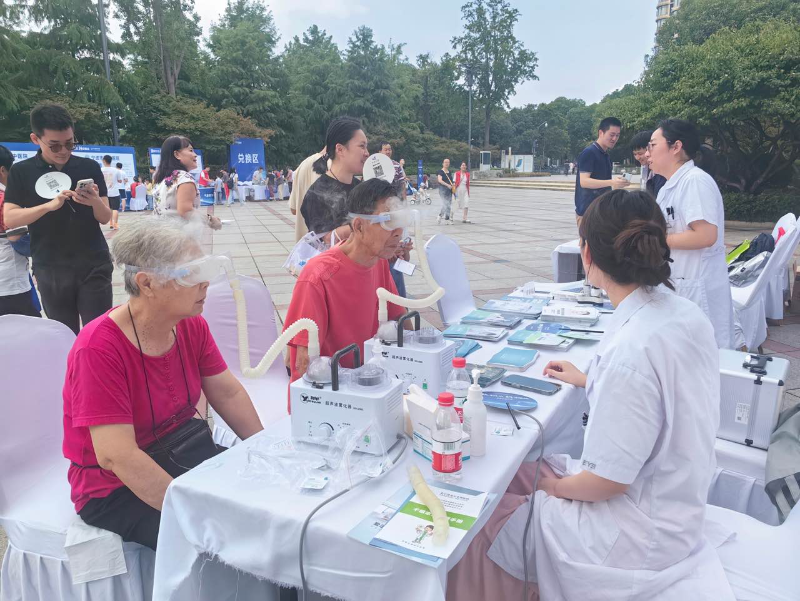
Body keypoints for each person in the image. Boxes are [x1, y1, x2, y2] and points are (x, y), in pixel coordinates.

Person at [448, 189, 732, 601]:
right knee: (515, 469)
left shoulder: (630, 351)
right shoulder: (681, 311)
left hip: (632, 534)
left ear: (587, 254)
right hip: (674, 501)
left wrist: (550, 489)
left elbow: (605, 482)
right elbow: (665, 391)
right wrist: (591, 379)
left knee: (479, 527)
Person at [63, 217, 263, 551]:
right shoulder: (98, 348)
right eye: (191, 274)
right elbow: (117, 456)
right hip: (114, 488)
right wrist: (191, 513)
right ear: (147, 283)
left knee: (266, 500)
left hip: (181, 449)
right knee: (228, 539)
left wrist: (266, 450)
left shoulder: (189, 324)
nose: (205, 284)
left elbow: (227, 393)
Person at [285, 178, 408, 386]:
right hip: (332, 391)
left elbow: (401, 320)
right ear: (359, 226)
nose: (398, 232)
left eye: (400, 221)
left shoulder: (378, 261)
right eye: (388, 222)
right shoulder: (318, 276)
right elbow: (302, 365)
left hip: (372, 380)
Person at [3, 103, 113, 334]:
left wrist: (94, 201)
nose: (63, 150)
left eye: (70, 143)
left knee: (99, 333)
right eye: (54, 145)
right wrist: (49, 206)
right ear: (36, 139)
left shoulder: (88, 166)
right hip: (50, 267)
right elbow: (10, 218)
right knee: (64, 334)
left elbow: (105, 217)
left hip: (93, 263)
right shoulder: (21, 171)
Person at [646, 118, 734, 349]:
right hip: (681, 283)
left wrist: (655, 240)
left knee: (701, 354)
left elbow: (705, 236)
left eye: (652, 145)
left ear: (676, 146)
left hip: (696, 288)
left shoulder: (695, 182)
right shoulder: (669, 186)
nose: (647, 153)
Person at [301, 117, 368, 243]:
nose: (367, 153)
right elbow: (326, 241)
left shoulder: (363, 189)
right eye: (362, 146)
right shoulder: (317, 194)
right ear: (340, 149)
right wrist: (368, 223)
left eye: (366, 147)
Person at [0, 144, 39, 317]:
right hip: (8, 282)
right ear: (3, 170)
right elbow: (20, 242)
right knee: (26, 325)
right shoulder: (6, 200)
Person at [152, 135, 221, 230]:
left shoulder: (163, 179)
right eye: (191, 150)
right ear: (177, 154)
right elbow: (186, 211)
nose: (195, 155)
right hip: (179, 234)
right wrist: (210, 220)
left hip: (160, 233)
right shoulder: (184, 179)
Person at [574, 117, 629, 227]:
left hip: (601, 210)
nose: (614, 138)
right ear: (601, 133)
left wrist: (616, 183)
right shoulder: (589, 153)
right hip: (587, 212)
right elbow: (584, 182)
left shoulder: (606, 155)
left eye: (617, 135)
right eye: (612, 135)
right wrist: (611, 182)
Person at [289, 148, 324, 242]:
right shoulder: (336, 167)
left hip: (305, 245)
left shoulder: (303, 164)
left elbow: (293, 209)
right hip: (327, 245)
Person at [631, 130, 666, 198]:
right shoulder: (645, 168)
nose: (637, 158)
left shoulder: (662, 173)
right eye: (635, 154)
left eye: (640, 153)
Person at [101, 155, 122, 230]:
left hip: (105, 193)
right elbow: (120, 181)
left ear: (104, 161)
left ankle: (110, 224)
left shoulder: (101, 170)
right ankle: (115, 224)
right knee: (115, 209)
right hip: (114, 192)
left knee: (109, 208)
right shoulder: (116, 170)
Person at [437, 158, 455, 225]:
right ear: (443, 163)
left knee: (448, 204)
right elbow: (440, 180)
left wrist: (453, 184)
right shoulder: (440, 172)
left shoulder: (449, 172)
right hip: (442, 190)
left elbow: (451, 181)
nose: (447, 163)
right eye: (445, 162)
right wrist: (447, 185)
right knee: (446, 203)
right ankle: (441, 216)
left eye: (448, 162)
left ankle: (446, 218)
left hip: (449, 190)